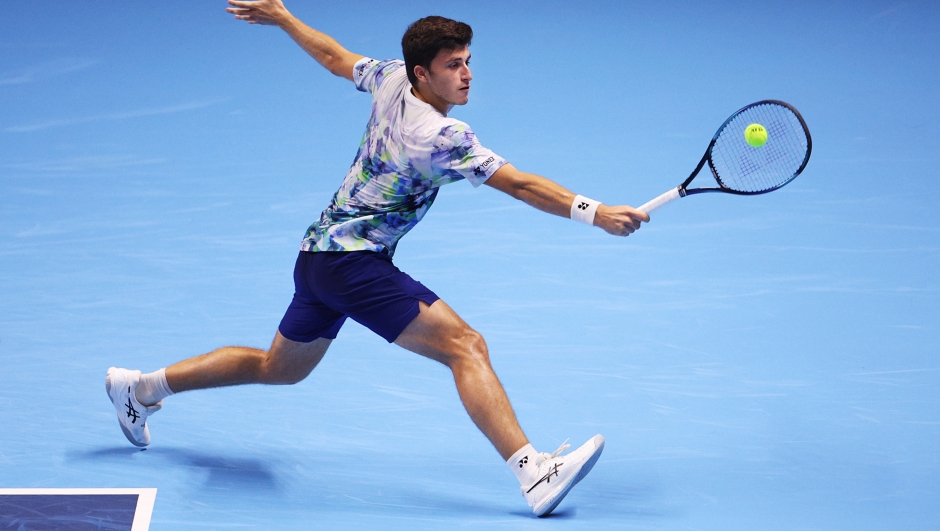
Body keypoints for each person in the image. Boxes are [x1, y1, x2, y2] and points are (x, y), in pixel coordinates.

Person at [105, 0, 648, 517]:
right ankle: (534, 472)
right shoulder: (443, 135)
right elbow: (521, 185)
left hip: (319, 254)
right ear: (421, 73)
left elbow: (334, 56)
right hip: (354, 264)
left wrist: (284, 17)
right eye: (452, 65)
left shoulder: (389, 77)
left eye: (468, 62)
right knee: (466, 347)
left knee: (279, 368)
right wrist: (593, 211)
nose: (467, 75)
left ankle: (141, 387)